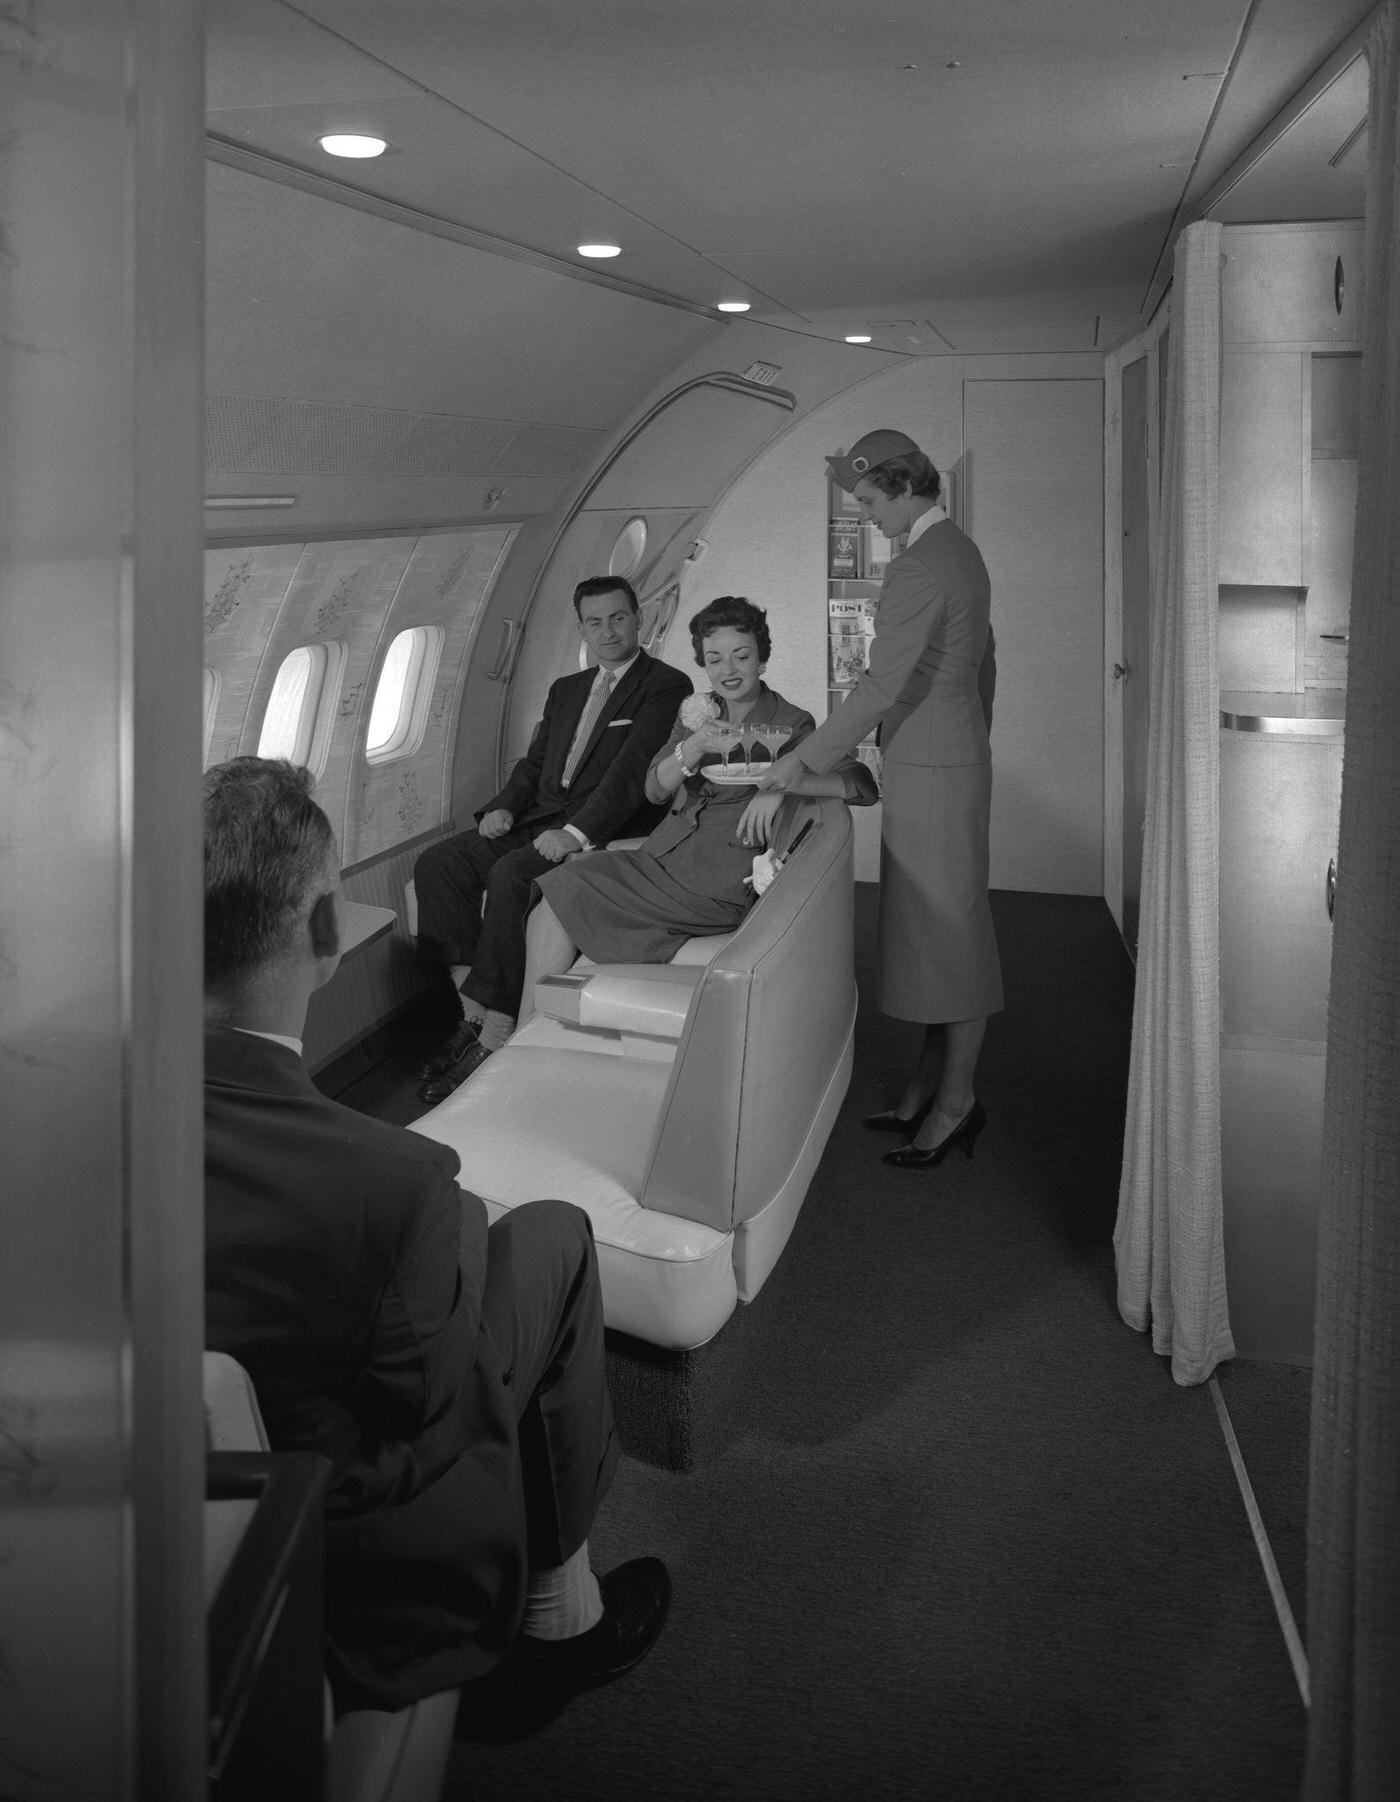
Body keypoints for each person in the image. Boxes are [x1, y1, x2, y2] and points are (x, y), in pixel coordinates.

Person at [202, 757, 671, 1727]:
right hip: (340, 1511)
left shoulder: (56, 1126)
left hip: (172, 1476)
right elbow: (432, 1402)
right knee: (551, 1232)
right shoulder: (392, 1177)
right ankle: (557, 1620)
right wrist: (456, 1223)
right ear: (327, 934)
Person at [758, 429, 1003, 1171]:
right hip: (948, 753)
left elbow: (880, 686)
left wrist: (799, 758)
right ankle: (929, 1083)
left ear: (902, 486)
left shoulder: (919, 569)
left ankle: (956, 1103)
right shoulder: (957, 549)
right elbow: (985, 663)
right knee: (939, 927)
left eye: (868, 501)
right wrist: (967, 737)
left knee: (951, 936)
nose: (866, 516)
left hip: (933, 763)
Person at [518, 596, 877, 1008]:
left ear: (762, 659)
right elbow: (654, 789)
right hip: (660, 859)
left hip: (714, 882)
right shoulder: (696, 713)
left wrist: (781, 785)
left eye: (741, 657)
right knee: (554, 892)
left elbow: (862, 785)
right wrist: (695, 745)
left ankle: (521, 1035)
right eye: (714, 659)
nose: (728, 670)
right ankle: (526, 1034)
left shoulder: (789, 722)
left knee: (563, 894)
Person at [412, 575, 690, 1102]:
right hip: (537, 817)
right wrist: (502, 807)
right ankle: (474, 1018)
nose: (607, 631)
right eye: (594, 621)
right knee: (439, 863)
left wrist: (575, 833)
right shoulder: (567, 689)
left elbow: (631, 775)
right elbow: (535, 762)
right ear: (581, 626)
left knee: (511, 875)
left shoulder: (665, 685)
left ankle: (496, 1037)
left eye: (618, 618)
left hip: (597, 829)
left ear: (640, 618)